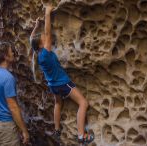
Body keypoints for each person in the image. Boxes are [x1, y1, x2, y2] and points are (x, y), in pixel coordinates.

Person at [30, 4, 94, 144]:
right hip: (63, 83)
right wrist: (47, 13)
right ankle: (81, 136)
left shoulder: (37, 54)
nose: (44, 38)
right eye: (42, 39)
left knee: (58, 103)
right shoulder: (46, 52)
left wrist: (35, 26)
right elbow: (47, 32)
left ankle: (57, 129)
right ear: (41, 44)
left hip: (53, 85)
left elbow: (31, 39)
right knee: (83, 103)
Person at [0, 42, 29, 146]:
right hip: (6, 127)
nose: (14, 53)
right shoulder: (8, 78)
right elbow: (13, 107)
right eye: (11, 51)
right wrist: (24, 130)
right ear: (5, 56)